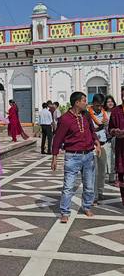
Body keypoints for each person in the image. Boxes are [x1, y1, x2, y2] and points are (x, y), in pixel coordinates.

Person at [51, 91, 101, 223]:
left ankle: (87, 206)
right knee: (68, 186)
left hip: (89, 155)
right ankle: (65, 211)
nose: (86, 103)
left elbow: (91, 131)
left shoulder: (86, 116)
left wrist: (96, 143)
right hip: (72, 156)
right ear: (77, 103)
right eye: (84, 100)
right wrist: (54, 158)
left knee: (89, 185)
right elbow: (57, 139)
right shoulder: (65, 119)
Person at [88, 93, 109, 204]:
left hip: (103, 144)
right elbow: (90, 131)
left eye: (101, 105)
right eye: (97, 106)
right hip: (93, 146)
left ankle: (100, 192)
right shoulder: (88, 114)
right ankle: (93, 194)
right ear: (93, 104)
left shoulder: (105, 114)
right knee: (93, 172)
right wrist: (99, 127)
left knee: (101, 172)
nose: (99, 108)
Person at [108, 87, 124, 205]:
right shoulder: (116, 111)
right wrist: (114, 131)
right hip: (121, 147)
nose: (123, 98)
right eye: (122, 95)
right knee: (122, 175)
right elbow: (109, 129)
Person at [104, 95, 117, 184]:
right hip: (106, 138)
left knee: (116, 157)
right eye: (108, 101)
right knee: (108, 158)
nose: (110, 103)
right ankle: (111, 176)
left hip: (117, 137)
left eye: (111, 101)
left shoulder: (117, 112)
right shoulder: (103, 113)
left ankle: (117, 177)